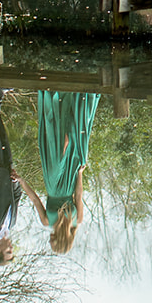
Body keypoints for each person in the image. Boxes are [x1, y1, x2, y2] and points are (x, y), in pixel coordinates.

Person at [0, 87, 43, 264]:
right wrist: (16, 182)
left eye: (8, 252)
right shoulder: (11, 225)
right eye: (12, 252)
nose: (11, 248)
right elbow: (16, 197)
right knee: (0, 133)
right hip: (6, 171)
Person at [32, 91, 100, 254]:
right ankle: (70, 98)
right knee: (72, 142)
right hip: (62, 186)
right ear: (59, 240)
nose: (49, 240)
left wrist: (20, 180)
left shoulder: (49, 222)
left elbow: (35, 200)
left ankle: (60, 99)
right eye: (52, 242)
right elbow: (78, 196)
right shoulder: (73, 221)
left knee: (63, 143)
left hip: (57, 185)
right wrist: (80, 174)